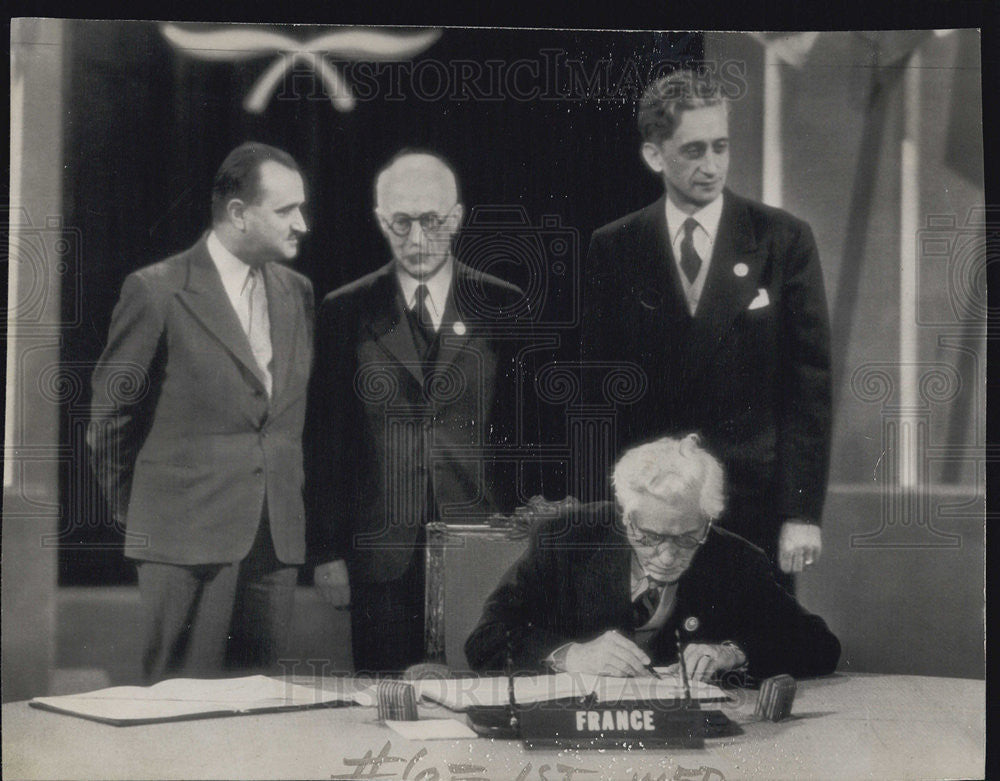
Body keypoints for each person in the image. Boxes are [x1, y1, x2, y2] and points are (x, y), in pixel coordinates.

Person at [580, 70, 832, 589]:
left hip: (752, 510)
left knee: (748, 657)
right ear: (655, 156)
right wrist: (607, 513)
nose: (711, 166)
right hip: (653, 517)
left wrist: (801, 512)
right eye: (693, 151)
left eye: (721, 147)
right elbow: (597, 393)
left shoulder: (783, 239)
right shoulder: (615, 247)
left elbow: (809, 387)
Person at [88, 142, 314, 682]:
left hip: (273, 543)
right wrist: (145, 511)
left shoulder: (297, 292)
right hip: (180, 541)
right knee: (178, 712)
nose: (302, 223)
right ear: (238, 214)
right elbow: (108, 421)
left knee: (256, 710)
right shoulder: (157, 290)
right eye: (286, 210)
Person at [307, 149, 525, 673]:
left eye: (432, 221)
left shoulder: (502, 304)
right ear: (382, 221)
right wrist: (326, 551)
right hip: (380, 550)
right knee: (386, 703)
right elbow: (325, 440)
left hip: (482, 542)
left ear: (456, 217)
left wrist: (524, 535)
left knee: (482, 693)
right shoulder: (344, 310)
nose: (418, 239)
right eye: (402, 223)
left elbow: (524, 432)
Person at [465, 434, 840, 680]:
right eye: (648, 536)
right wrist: (571, 656)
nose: (666, 555)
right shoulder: (568, 540)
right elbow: (487, 638)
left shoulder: (735, 559)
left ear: (706, 524)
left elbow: (818, 642)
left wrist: (732, 653)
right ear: (625, 517)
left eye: (687, 538)